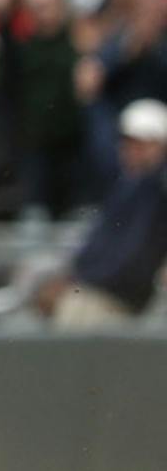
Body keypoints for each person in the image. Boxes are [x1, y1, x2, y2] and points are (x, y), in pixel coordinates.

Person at [35, 99, 167, 327]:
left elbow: (132, 260)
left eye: (142, 145)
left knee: (75, 313)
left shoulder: (156, 192)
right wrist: (71, 278)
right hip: (94, 289)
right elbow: (97, 244)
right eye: (128, 143)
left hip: (116, 298)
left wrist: (80, 281)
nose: (132, 151)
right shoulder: (125, 186)